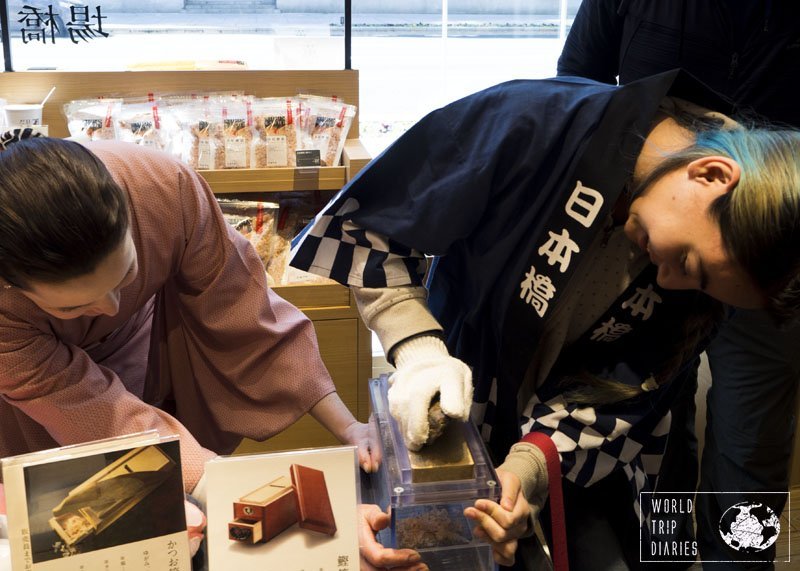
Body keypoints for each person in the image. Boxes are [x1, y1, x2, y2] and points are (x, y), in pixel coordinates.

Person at [290, 68, 800, 569]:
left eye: (699, 282)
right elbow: (373, 230)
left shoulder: (709, 273)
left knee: (621, 540)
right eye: (688, 263)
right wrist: (419, 352)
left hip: (578, 455)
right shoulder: (535, 124)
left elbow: (624, 389)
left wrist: (528, 467)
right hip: (460, 387)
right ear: (710, 175)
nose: (669, 283)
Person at [0, 132, 378, 504]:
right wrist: (221, 487)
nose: (112, 307)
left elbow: (244, 312)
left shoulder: (160, 188)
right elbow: (105, 417)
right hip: (39, 403)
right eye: (71, 307)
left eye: (126, 274)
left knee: (170, 500)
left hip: (140, 345)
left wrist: (349, 427)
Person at [558, 2, 800, 567]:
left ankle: (739, 564)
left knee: (752, 448)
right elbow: (577, 86)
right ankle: (663, 558)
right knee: (652, 431)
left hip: (769, 261)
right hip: (651, 245)